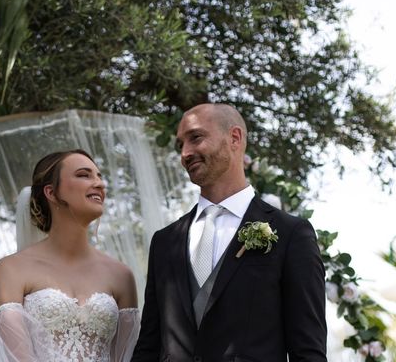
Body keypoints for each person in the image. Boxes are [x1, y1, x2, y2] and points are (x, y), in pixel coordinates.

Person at [132, 103, 327, 361]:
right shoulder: (165, 241)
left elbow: (308, 351)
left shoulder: (291, 234)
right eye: (181, 145)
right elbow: (149, 345)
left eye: (196, 138)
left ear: (234, 138)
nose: (186, 153)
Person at [0, 149, 140, 361]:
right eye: (83, 175)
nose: (99, 183)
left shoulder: (122, 276)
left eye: (99, 176)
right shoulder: (12, 269)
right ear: (51, 193)